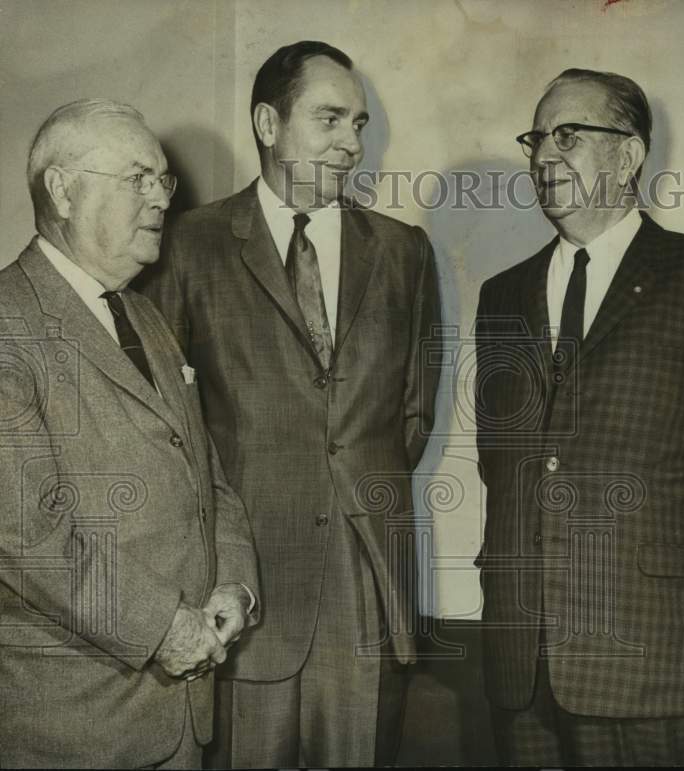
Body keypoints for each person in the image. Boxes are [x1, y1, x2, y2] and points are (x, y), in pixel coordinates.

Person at [474, 68, 684, 766]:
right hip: (521, 659)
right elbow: (501, 459)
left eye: (568, 135)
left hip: (650, 654)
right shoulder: (501, 296)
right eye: (536, 138)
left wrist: (682, 551)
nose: (543, 156)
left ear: (628, 155)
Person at [140, 41, 441, 767]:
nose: (352, 143)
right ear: (269, 124)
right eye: (331, 118)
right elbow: (164, 421)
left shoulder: (403, 252)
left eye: (360, 124)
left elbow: (412, 412)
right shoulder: (190, 244)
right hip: (243, 586)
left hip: (364, 577)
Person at [0, 98, 259, 768]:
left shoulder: (146, 317)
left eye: (164, 180)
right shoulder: (7, 325)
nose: (160, 199)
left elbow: (207, 474)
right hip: (74, 723)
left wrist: (234, 582)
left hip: (180, 716)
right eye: (138, 177)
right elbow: (27, 535)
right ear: (62, 188)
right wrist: (160, 626)